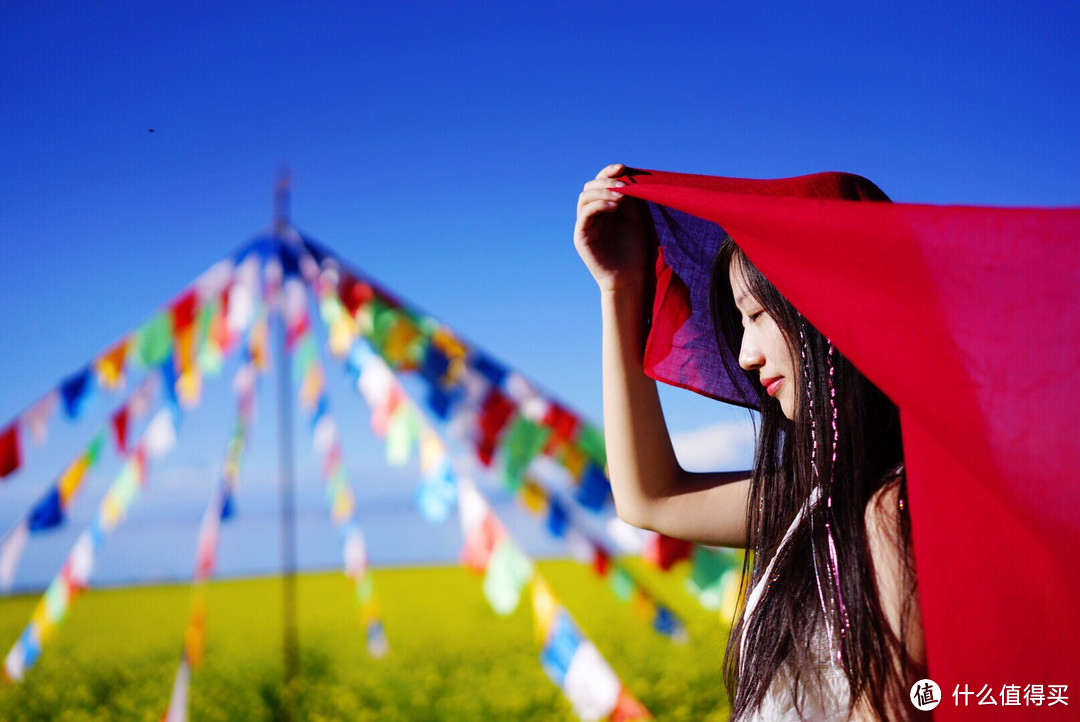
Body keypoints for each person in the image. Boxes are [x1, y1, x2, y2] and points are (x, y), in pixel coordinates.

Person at [574, 164, 926, 720]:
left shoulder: (891, 511)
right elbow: (649, 498)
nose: (745, 355)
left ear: (829, 309)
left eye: (758, 315)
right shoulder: (820, 496)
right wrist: (622, 288)